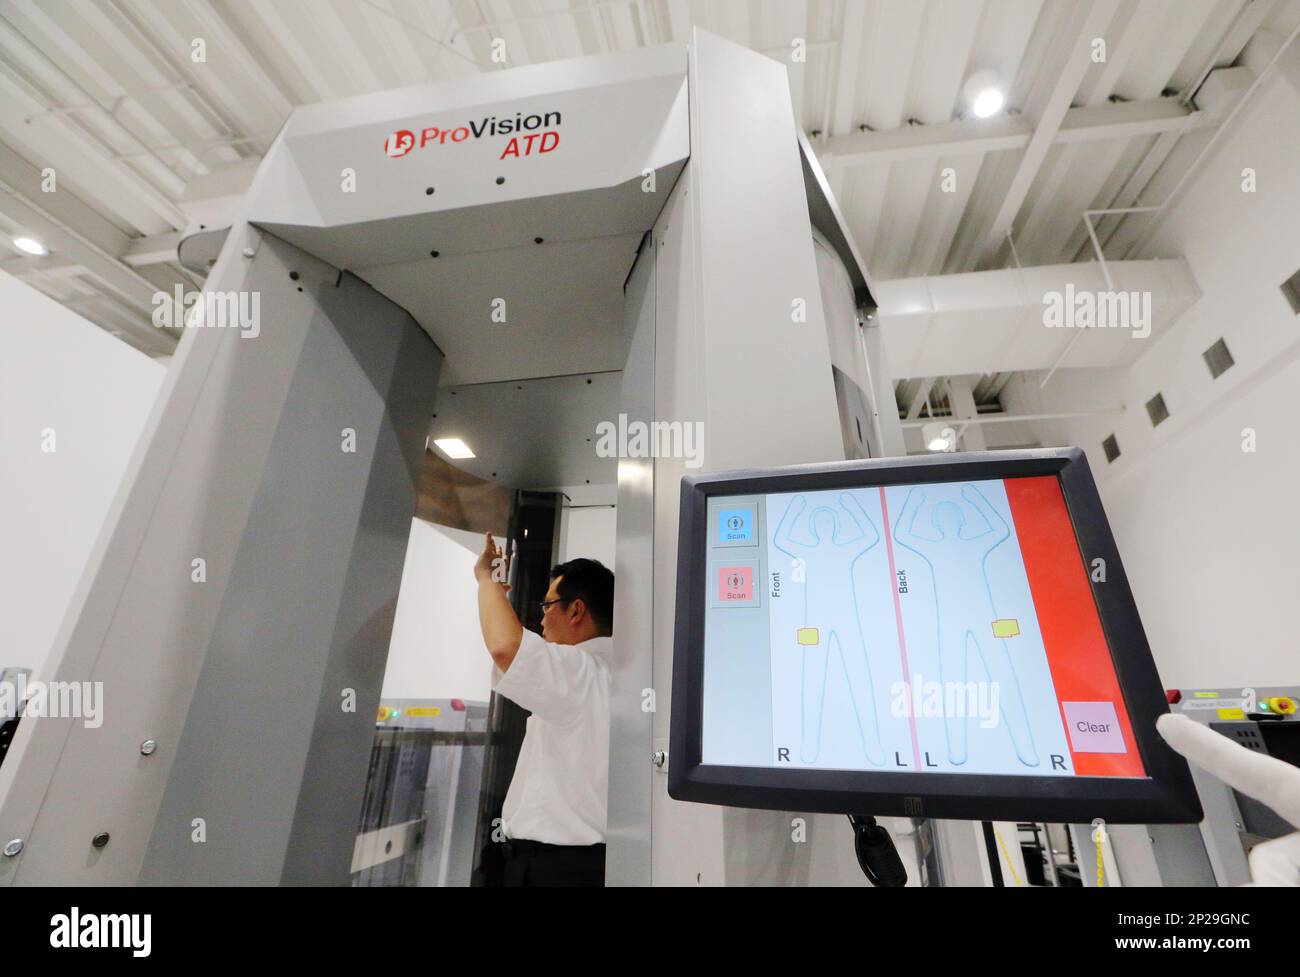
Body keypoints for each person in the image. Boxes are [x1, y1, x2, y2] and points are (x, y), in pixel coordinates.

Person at [473, 532, 614, 886]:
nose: (541, 620)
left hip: (553, 869)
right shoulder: (615, 673)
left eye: (547, 607)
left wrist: (486, 580)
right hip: (582, 866)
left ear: (576, 610)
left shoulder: (580, 670)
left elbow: (505, 646)